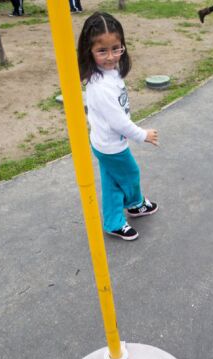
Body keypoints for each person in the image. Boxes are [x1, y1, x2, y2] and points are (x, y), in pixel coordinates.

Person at [77, 12, 159, 241]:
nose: (111, 56)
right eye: (102, 51)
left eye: (116, 48)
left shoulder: (107, 72)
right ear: (89, 50)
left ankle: (114, 221)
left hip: (105, 142)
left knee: (113, 182)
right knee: (130, 173)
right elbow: (118, 122)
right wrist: (143, 134)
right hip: (111, 146)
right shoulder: (101, 86)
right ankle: (135, 204)